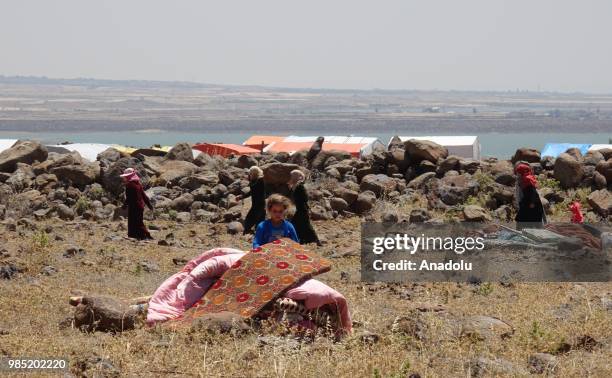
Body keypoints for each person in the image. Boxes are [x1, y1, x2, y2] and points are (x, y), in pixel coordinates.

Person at [288, 169, 322, 246]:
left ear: (295, 177)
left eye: (292, 176)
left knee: (305, 225)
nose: (290, 177)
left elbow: (305, 198)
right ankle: (302, 240)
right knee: (299, 225)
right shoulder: (296, 185)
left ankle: (316, 241)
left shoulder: (300, 186)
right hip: (300, 209)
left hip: (302, 209)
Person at [121, 168, 154, 240]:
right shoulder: (138, 184)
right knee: (138, 221)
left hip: (134, 206)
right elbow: (144, 196)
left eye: (125, 177)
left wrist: (124, 205)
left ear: (128, 176)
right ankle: (137, 236)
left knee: (135, 222)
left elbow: (129, 198)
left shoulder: (129, 185)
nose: (124, 178)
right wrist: (149, 205)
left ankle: (145, 235)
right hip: (140, 206)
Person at [514, 162, 546, 229]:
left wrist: (532, 202)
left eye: (518, 172)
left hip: (531, 204)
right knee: (524, 220)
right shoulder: (522, 179)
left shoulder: (527, 179)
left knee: (522, 220)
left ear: (522, 172)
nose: (517, 174)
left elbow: (533, 192)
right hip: (528, 203)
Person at [237, 166, 266, 234]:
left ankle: (252, 230)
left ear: (253, 173)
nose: (249, 174)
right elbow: (251, 192)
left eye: (250, 173)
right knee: (258, 218)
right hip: (256, 203)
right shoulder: (255, 180)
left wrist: (250, 180)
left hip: (259, 203)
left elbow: (255, 189)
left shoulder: (260, 180)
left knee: (252, 218)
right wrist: (242, 197)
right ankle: (256, 230)